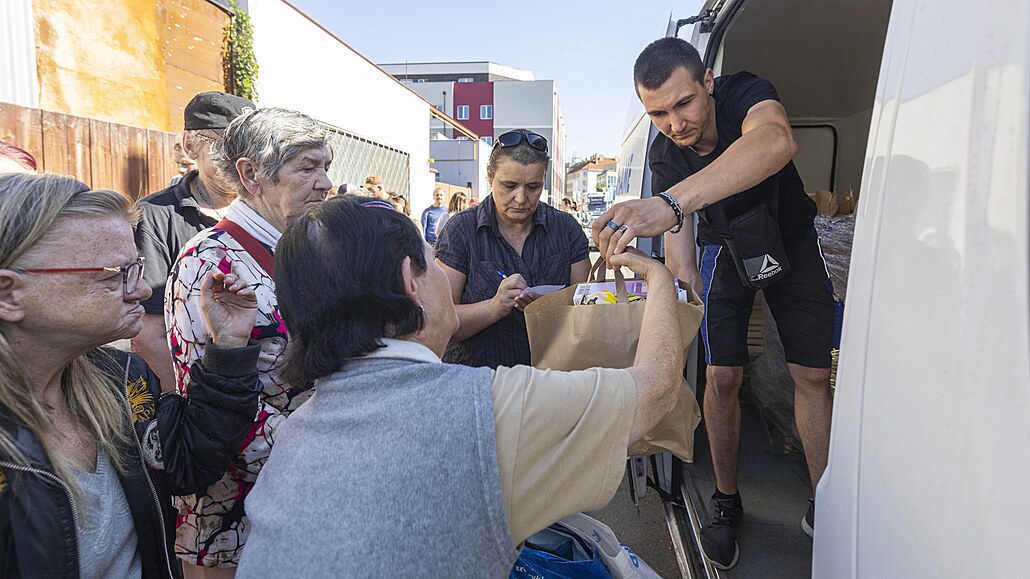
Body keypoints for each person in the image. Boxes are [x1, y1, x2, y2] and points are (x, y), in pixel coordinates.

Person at [235, 196, 687, 577]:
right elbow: (655, 392)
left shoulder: (295, 431)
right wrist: (660, 278)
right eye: (433, 260)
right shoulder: (490, 409)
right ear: (410, 283)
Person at [593, 37, 835, 569]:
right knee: (721, 377)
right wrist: (679, 283)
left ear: (707, 82)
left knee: (812, 374)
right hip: (724, 251)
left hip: (790, 240)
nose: (675, 123)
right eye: (658, 112)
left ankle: (826, 501)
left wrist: (671, 202)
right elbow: (678, 239)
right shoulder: (664, 153)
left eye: (684, 104)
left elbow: (775, 142)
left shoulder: (745, 92)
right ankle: (726, 501)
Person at [0, 173, 262, 578]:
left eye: (136, 267)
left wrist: (227, 349)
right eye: (113, 274)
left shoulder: (120, 376)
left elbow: (184, 464)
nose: (141, 290)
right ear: (9, 294)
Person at [166, 107, 332, 576]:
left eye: (325, 167)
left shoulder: (305, 249)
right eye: (307, 167)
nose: (324, 183)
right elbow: (209, 402)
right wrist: (325, 453)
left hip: (302, 494)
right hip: (233, 517)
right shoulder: (209, 261)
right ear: (251, 174)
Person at [436, 129, 590, 368]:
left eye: (533, 187)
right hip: (482, 385)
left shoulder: (566, 229)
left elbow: (586, 310)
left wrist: (548, 310)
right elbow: (440, 322)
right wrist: (493, 308)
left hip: (551, 381)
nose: (521, 198)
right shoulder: (461, 230)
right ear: (490, 176)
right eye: (509, 185)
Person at [133, 91, 255, 391]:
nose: (240, 156)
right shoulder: (155, 217)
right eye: (226, 143)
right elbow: (148, 334)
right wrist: (186, 408)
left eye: (251, 144)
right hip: (204, 392)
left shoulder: (271, 211)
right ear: (191, 145)